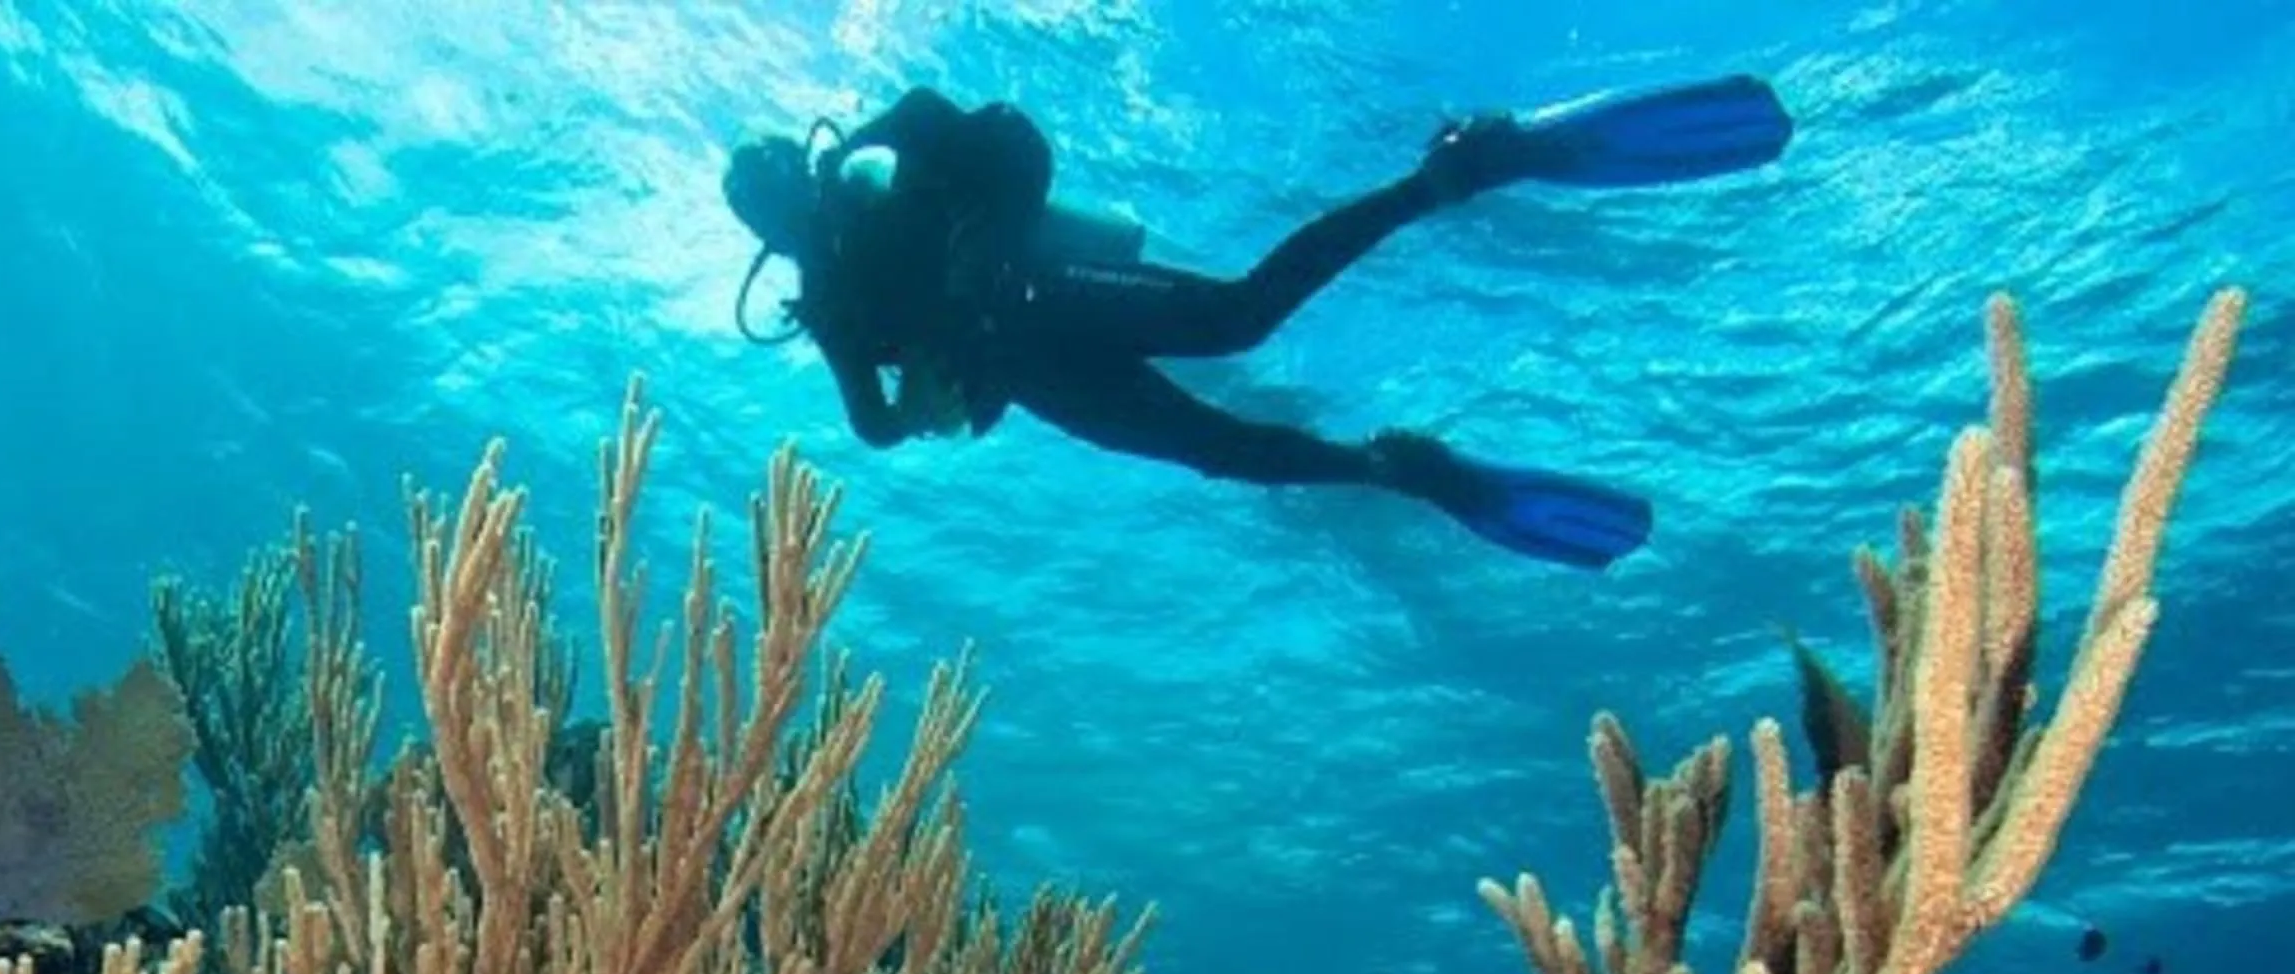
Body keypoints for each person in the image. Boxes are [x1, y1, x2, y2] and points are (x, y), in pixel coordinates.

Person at [719, 75, 1794, 570]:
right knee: (1219, 452)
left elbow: (945, 119)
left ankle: (1457, 171)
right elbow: (868, 426)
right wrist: (918, 392)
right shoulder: (828, 302)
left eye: (783, 181)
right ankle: (1397, 469)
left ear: (798, 165)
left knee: (1242, 317)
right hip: (1038, 378)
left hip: (1045, 298)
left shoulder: (876, 172)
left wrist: (949, 253)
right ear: (761, 225)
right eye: (768, 206)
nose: (790, 206)